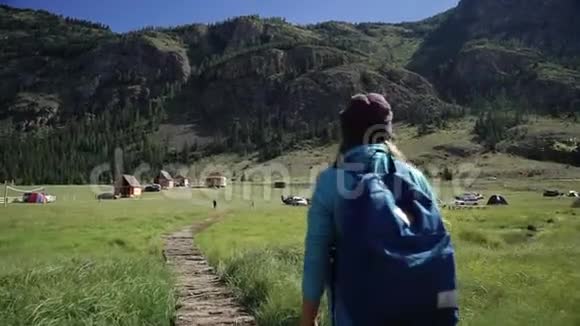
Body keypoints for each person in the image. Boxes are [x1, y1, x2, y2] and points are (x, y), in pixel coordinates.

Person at [300, 93, 458, 326]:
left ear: (346, 133)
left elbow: (316, 258)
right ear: (387, 132)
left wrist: (308, 319)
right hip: (421, 315)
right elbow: (439, 247)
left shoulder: (331, 182)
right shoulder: (415, 177)